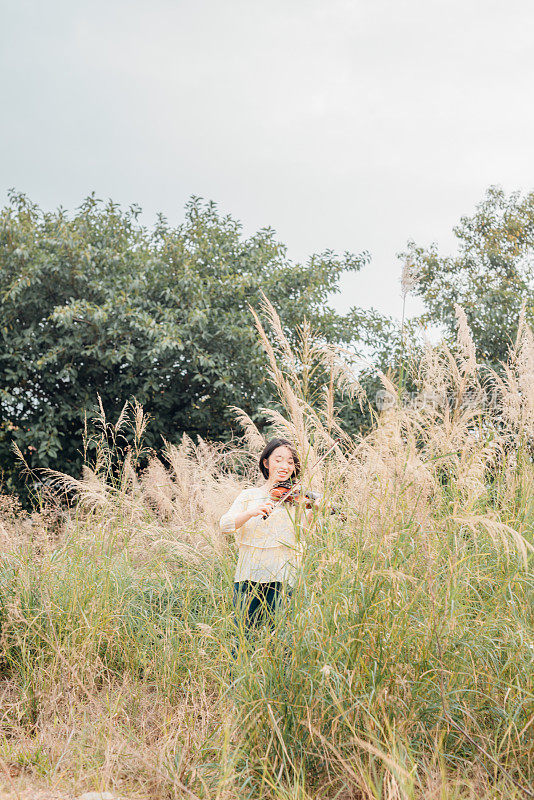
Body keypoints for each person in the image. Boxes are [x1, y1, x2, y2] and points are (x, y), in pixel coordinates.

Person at [219, 437, 317, 657]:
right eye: (279, 459)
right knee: (244, 636)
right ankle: (242, 685)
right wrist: (252, 512)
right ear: (266, 462)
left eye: (291, 462)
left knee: (283, 638)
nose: (285, 466)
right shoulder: (249, 496)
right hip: (250, 574)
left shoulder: (297, 499)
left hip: (285, 575)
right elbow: (225, 525)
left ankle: (280, 687)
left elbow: (301, 538)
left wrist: (310, 516)